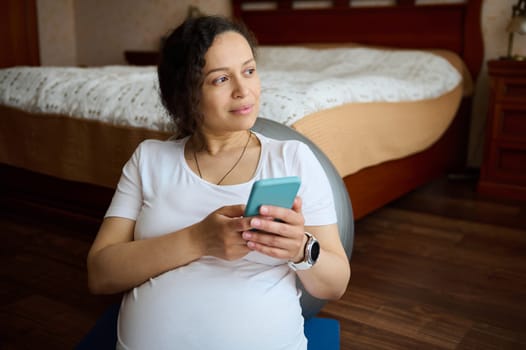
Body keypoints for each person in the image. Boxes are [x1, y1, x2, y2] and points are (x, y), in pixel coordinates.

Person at [87, 15, 350, 350]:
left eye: (249, 70)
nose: (244, 91)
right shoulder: (149, 159)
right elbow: (100, 274)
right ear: (185, 93)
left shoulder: (291, 158)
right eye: (221, 79)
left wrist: (300, 249)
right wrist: (199, 240)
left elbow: (336, 284)